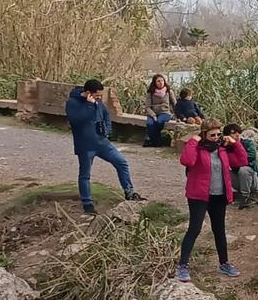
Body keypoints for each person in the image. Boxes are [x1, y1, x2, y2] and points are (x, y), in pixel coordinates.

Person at [176, 119, 243, 282]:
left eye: (219, 134)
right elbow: (187, 161)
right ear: (204, 135)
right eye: (212, 135)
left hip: (219, 196)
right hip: (199, 195)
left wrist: (235, 144)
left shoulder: (222, 150)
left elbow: (241, 161)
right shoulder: (198, 149)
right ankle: (182, 266)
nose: (216, 137)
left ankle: (224, 263)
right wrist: (193, 141)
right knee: (195, 228)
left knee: (219, 230)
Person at [66, 79, 144, 214]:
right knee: (85, 175)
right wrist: (90, 106)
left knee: (122, 162)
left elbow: (105, 114)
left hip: (102, 142)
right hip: (85, 145)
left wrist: (107, 131)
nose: (99, 98)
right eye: (97, 95)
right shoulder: (73, 103)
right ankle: (87, 203)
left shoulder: (98, 101)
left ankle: (129, 192)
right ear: (89, 93)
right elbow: (77, 120)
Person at [223, 123, 258, 208]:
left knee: (243, 169)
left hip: (253, 180)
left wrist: (236, 144)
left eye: (238, 132)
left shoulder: (248, 143)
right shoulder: (225, 148)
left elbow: (245, 160)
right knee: (222, 170)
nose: (237, 134)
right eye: (233, 133)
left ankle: (245, 197)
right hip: (238, 180)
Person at [143, 73, 176, 147]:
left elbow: (174, 104)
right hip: (153, 113)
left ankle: (154, 141)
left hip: (165, 112)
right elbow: (147, 107)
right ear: (155, 82)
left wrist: (177, 116)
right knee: (150, 124)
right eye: (158, 81)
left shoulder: (169, 92)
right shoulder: (150, 93)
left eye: (162, 81)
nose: (161, 83)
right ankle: (156, 142)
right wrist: (153, 115)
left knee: (159, 122)